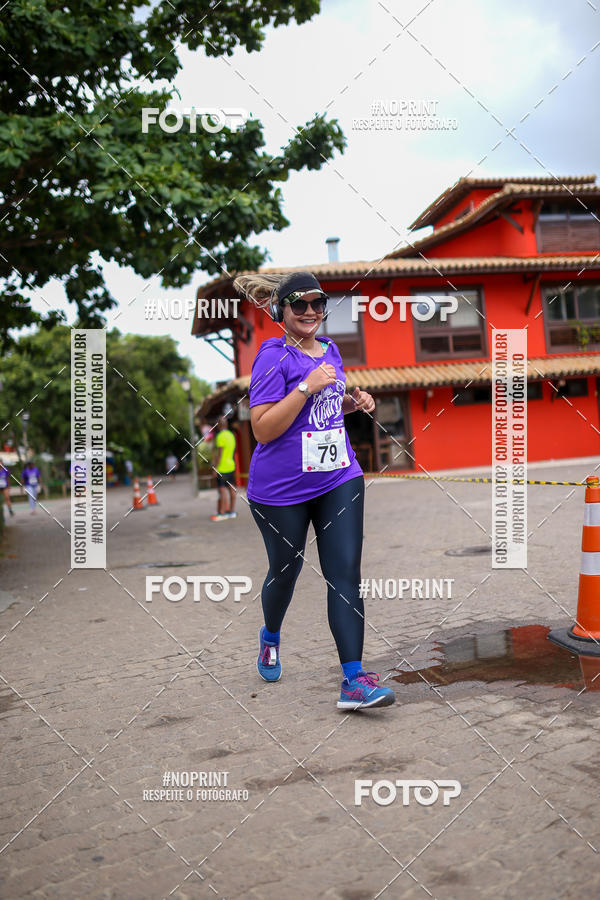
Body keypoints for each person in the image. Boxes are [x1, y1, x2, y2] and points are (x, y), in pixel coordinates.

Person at [234, 270, 395, 711]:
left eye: (317, 303)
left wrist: (352, 401)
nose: (309, 312)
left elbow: (327, 406)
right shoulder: (272, 355)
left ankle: (353, 680)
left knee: (345, 576)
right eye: (298, 304)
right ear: (280, 310)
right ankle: (270, 637)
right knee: (285, 573)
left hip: (337, 477)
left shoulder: (331, 350)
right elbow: (263, 429)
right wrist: (307, 387)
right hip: (281, 491)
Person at [210, 416, 237, 522]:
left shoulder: (220, 436)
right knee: (231, 488)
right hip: (231, 465)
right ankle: (231, 511)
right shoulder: (231, 435)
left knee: (222, 490)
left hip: (222, 467)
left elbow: (219, 454)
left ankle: (222, 511)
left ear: (219, 425)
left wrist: (215, 468)